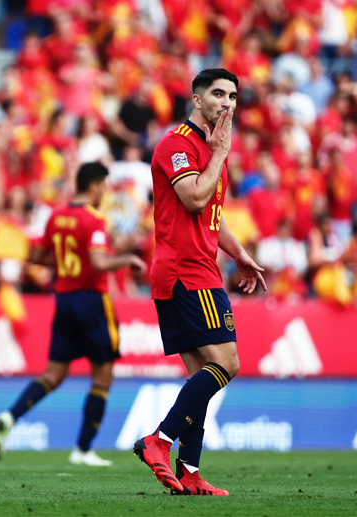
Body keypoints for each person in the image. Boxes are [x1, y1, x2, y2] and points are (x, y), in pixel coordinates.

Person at [133, 69, 266, 496]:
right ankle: (159, 440)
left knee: (200, 377)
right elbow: (193, 196)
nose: (227, 102)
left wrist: (239, 253)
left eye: (233, 96)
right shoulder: (178, 144)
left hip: (191, 268)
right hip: (188, 272)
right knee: (228, 364)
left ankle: (188, 469)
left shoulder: (206, 149)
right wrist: (221, 155)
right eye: (218, 94)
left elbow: (209, 211)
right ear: (196, 98)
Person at [0, 162, 147, 467]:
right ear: (94, 186)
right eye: (103, 186)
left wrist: (63, 264)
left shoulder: (57, 215)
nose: (104, 192)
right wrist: (128, 259)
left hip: (63, 300)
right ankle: (83, 450)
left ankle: (11, 415)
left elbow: (36, 255)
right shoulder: (94, 219)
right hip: (92, 301)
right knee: (102, 376)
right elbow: (100, 264)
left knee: (53, 373)